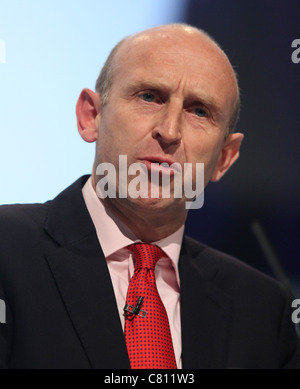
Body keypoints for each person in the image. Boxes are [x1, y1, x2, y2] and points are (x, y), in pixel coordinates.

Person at [0, 23, 299, 369]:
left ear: (224, 158)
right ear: (90, 116)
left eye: (199, 111)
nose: (170, 131)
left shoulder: (261, 311)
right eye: (149, 97)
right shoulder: (7, 250)